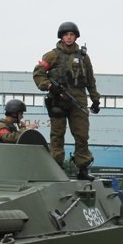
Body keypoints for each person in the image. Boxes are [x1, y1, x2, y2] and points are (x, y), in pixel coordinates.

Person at [33, 21, 102, 180]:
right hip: (58, 99)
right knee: (57, 135)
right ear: (61, 37)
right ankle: (56, 167)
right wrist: (49, 86)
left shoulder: (84, 57)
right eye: (66, 35)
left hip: (78, 99)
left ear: (76, 37)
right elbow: (38, 74)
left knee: (82, 135)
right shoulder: (52, 55)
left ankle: (83, 168)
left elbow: (90, 80)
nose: (69, 37)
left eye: (72, 35)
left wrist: (95, 99)